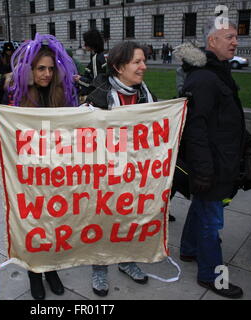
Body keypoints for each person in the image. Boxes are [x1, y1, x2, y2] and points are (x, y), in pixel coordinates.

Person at [0, 34, 78, 299]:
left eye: (50, 68)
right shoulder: (14, 96)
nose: (46, 74)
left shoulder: (62, 95)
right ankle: (34, 273)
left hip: (56, 172)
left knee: (56, 223)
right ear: (30, 70)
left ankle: (52, 269)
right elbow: (2, 134)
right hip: (27, 174)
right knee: (33, 224)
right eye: (40, 68)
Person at [178, 17, 244, 299]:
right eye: (228, 37)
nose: (235, 42)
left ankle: (189, 250)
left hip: (219, 161)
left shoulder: (216, 72)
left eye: (235, 37)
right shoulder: (205, 78)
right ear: (211, 42)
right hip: (212, 166)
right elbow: (195, 129)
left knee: (201, 210)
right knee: (211, 221)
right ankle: (211, 275)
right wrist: (203, 171)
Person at [85, 41, 156, 297]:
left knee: (129, 219)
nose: (143, 67)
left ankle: (126, 260)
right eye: (137, 62)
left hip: (136, 172)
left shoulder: (146, 95)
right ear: (118, 67)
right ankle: (100, 268)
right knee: (103, 221)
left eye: (143, 61)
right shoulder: (98, 96)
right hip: (104, 174)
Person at [74, 29, 107, 101]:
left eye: (85, 42)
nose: (84, 45)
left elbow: (96, 84)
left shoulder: (96, 58)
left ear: (91, 43)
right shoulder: (103, 56)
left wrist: (79, 79)